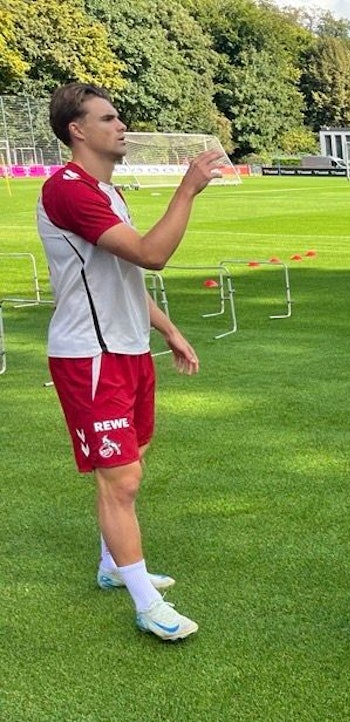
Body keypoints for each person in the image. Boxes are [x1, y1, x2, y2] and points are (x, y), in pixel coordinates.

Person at [37, 83, 224, 641]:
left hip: (128, 351)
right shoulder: (68, 190)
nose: (122, 127)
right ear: (78, 129)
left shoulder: (107, 193)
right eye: (109, 118)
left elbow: (124, 276)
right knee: (119, 479)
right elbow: (153, 255)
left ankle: (111, 565)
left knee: (132, 464)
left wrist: (169, 329)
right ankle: (146, 604)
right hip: (89, 357)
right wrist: (188, 188)